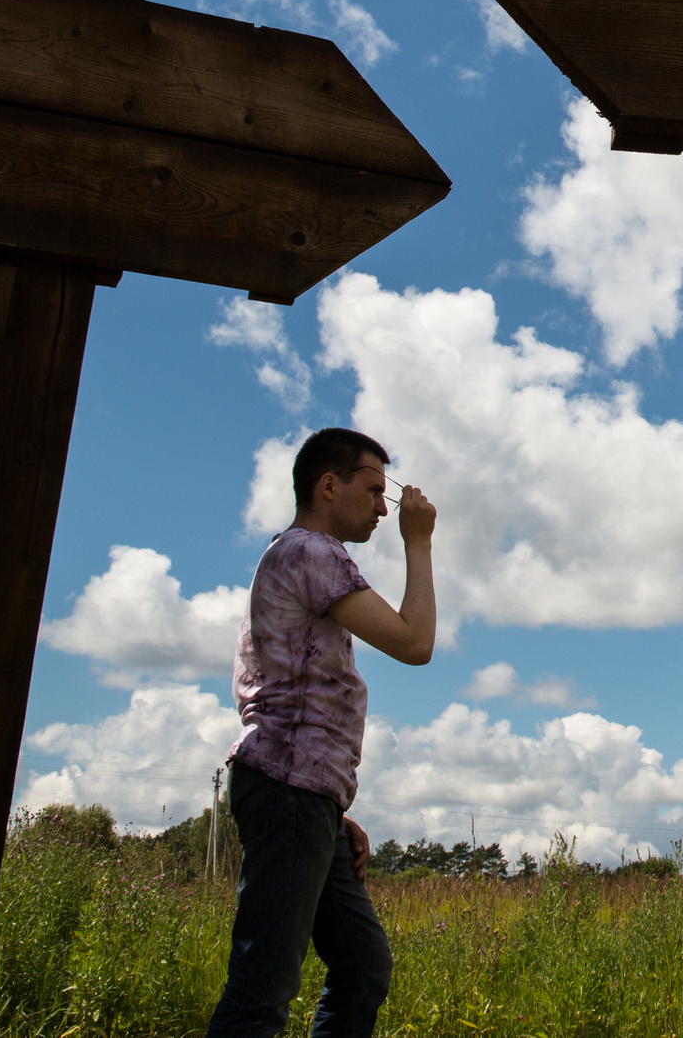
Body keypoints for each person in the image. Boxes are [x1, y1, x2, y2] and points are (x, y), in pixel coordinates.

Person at [205, 427, 436, 1038]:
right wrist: (420, 542)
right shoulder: (311, 553)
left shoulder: (284, 564)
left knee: (363, 967)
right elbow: (416, 643)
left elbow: (275, 690)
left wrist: (331, 804)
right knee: (263, 986)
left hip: (305, 792)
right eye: (373, 489)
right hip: (289, 789)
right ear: (328, 486)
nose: (385, 509)